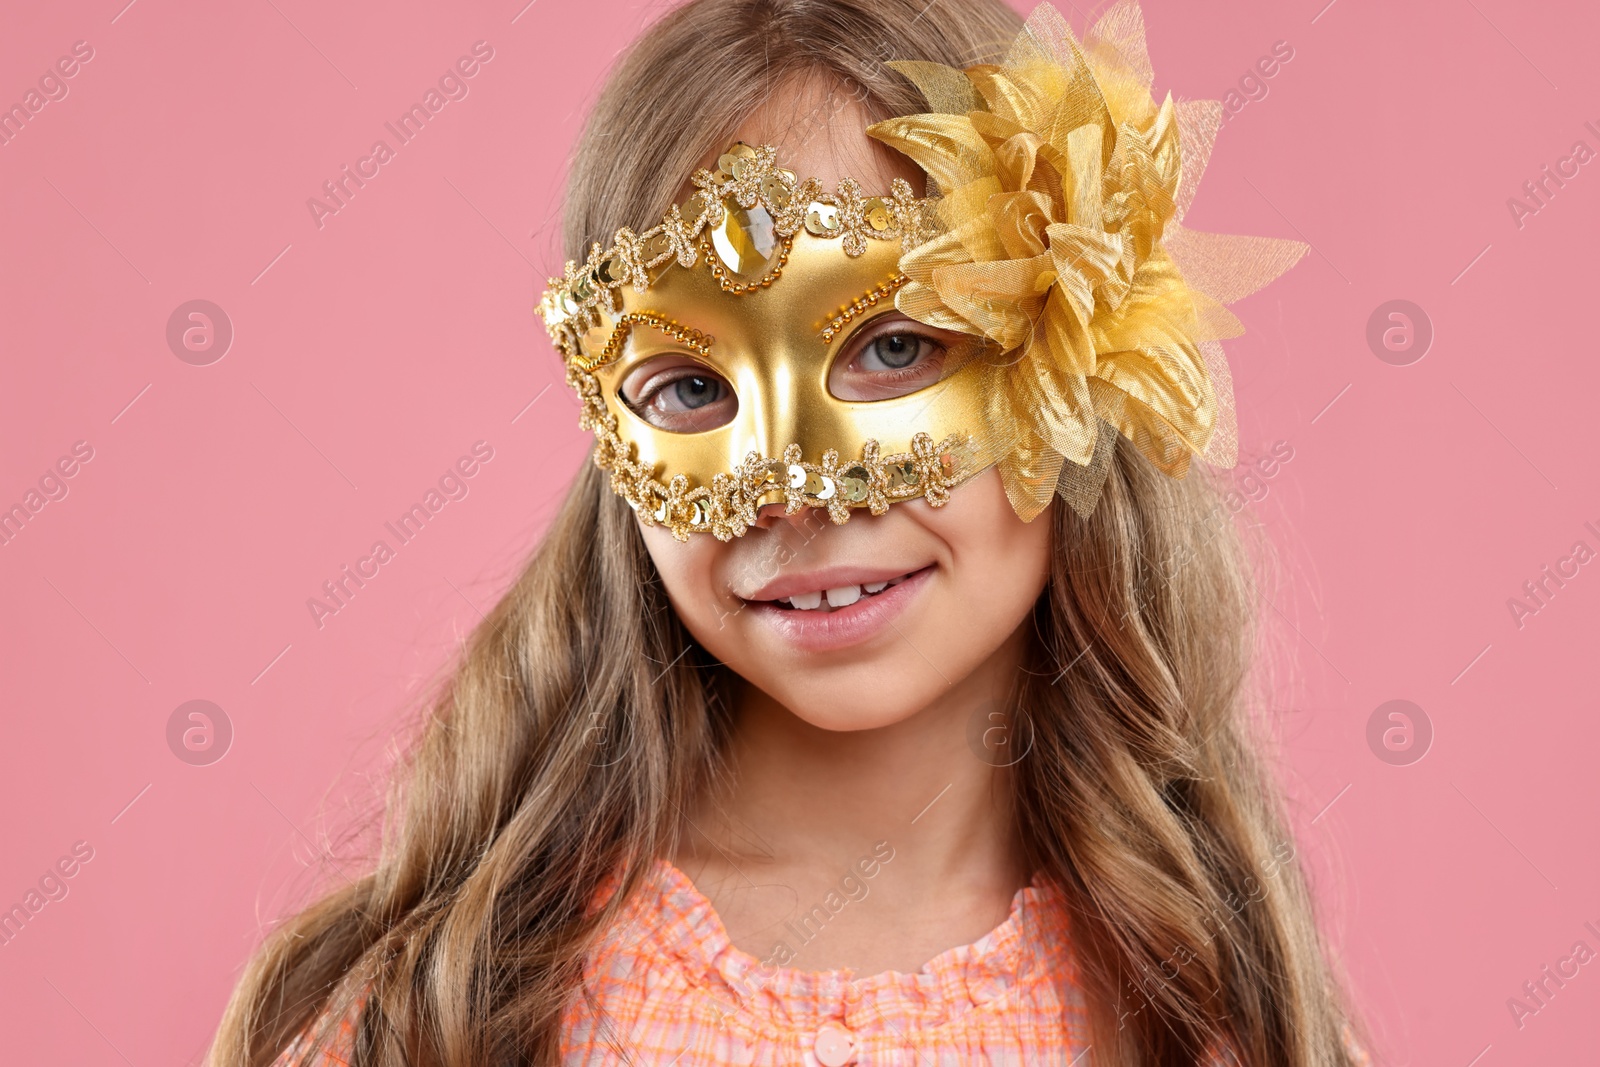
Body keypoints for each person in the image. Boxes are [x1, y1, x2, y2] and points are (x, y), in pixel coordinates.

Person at [210, 0, 1369, 1063]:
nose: (791, 485)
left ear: (1075, 357)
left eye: (897, 345)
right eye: (691, 388)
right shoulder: (453, 1007)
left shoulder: (1204, 995)